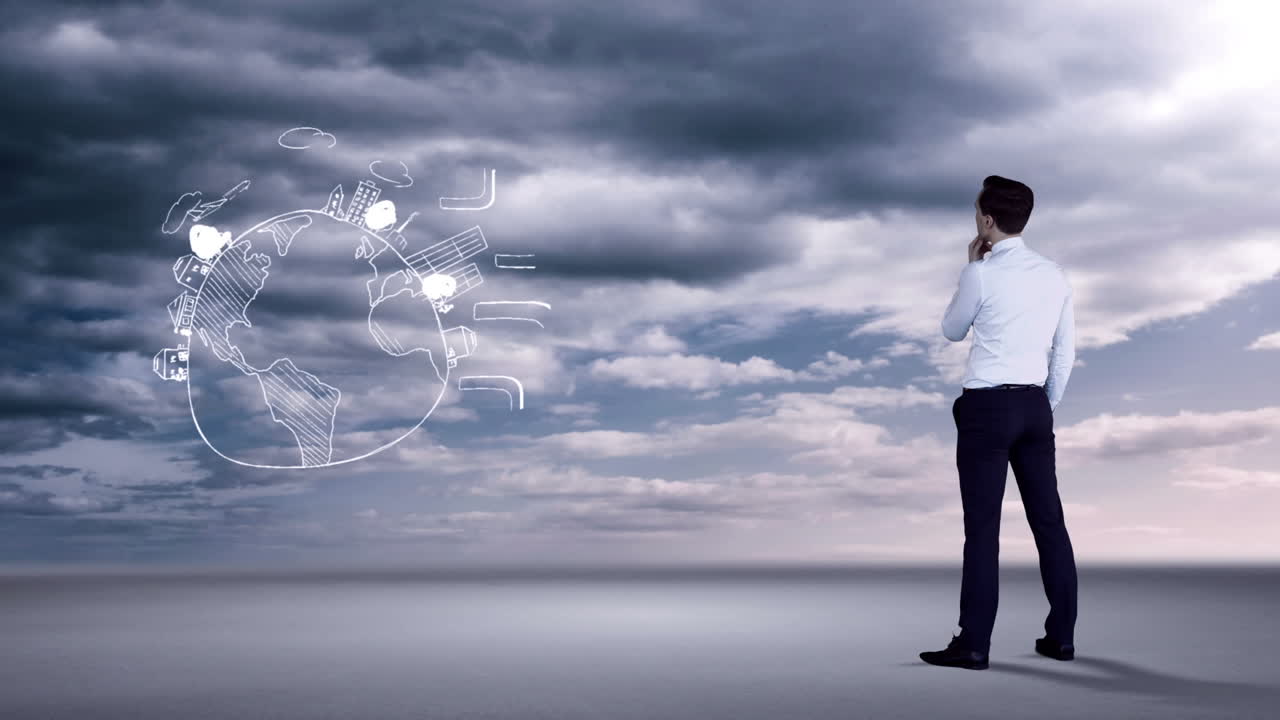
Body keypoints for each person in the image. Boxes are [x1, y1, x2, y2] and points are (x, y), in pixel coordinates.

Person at [919, 175, 1078, 670]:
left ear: (987, 221)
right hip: (1035, 406)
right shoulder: (1055, 275)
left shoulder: (980, 273)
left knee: (983, 529)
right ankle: (1061, 638)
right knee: (1049, 522)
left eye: (976, 214)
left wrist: (969, 269)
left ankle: (973, 644)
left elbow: (951, 330)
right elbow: (1065, 351)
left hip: (987, 408)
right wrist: (1043, 403)